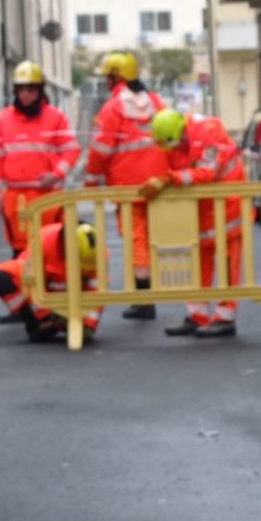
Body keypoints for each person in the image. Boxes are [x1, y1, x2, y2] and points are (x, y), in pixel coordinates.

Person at [0, 60, 80, 324]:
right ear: (15, 91)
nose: (26, 94)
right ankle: (24, 305)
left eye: (31, 89)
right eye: (21, 89)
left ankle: (50, 303)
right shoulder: (3, 119)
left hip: (47, 196)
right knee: (19, 250)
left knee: (48, 249)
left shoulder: (55, 116)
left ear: (40, 90)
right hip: (16, 197)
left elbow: (71, 148)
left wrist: (57, 173)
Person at [142, 109, 245, 338]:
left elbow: (208, 171)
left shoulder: (209, 133)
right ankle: (197, 315)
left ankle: (225, 318)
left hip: (228, 206)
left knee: (228, 263)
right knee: (199, 261)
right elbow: (180, 169)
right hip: (202, 208)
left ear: (182, 134)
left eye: (176, 145)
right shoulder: (177, 140)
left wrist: (171, 179)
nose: (175, 150)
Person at [86, 52, 169, 320]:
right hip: (158, 182)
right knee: (155, 237)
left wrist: (91, 179)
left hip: (127, 186)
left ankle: (144, 299)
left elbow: (100, 149)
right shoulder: (156, 102)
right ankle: (149, 293)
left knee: (136, 239)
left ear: (114, 78)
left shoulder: (113, 108)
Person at [0, 222, 103, 344]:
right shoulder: (42, 242)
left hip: (73, 302)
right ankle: (38, 323)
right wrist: (45, 316)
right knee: (0, 277)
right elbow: (30, 284)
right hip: (45, 298)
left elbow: (96, 290)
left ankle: (54, 324)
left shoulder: (95, 252)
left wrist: (89, 325)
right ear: (65, 248)